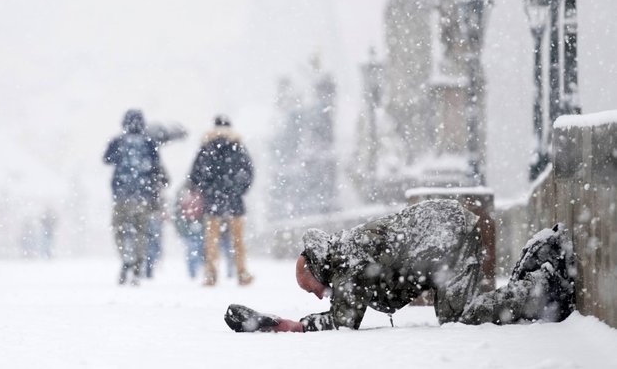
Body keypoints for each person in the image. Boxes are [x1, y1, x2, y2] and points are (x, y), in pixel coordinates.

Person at [224, 199, 577, 333]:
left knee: (462, 320)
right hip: (443, 228)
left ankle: (540, 288)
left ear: (318, 271)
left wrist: (295, 326)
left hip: (444, 238)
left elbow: (345, 321)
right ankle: (532, 281)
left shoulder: (346, 264)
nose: (317, 297)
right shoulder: (343, 251)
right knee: (459, 316)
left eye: (311, 288)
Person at [103, 109, 169, 285]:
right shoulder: (149, 143)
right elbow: (157, 169)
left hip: (122, 195)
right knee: (141, 231)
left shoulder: (118, 142)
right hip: (143, 196)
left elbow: (106, 159)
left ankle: (126, 258)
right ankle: (138, 263)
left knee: (119, 229)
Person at [188, 115, 254, 286]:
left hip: (212, 200)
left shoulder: (207, 147)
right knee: (238, 240)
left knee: (211, 240)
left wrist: (207, 190)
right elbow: (248, 172)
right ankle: (242, 273)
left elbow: (195, 175)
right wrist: (238, 190)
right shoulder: (238, 147)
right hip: (235, 201)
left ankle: (210, 273)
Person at [173, 180, 205, 280]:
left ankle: (195, 273)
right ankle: (193, 274)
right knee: (193, 250)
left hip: (195, 226)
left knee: (195, 251)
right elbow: (178, 214)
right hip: (189, 227)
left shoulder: (186, 194)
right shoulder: (187, 194)